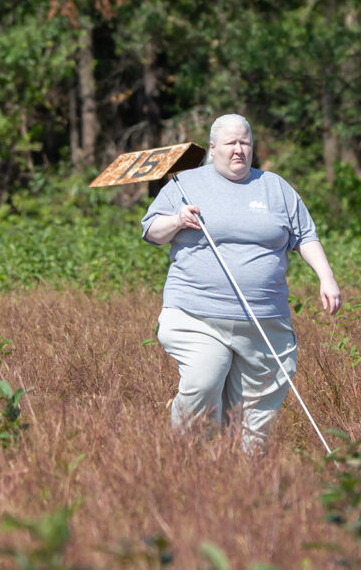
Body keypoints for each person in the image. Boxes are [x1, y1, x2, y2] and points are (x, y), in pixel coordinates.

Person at [141, 113, 341, 452]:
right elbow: (151, 232)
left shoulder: (274, 186)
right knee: (205, 378)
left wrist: (326, 277)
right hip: (196, 315)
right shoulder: (184, 184)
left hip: (264, 321)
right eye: (231, 143)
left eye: (245, 143)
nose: (239, 150)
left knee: (255, 419)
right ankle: (189, 459)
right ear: (213, 147)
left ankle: (244, 480)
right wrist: (178, 219)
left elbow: (305, 235)